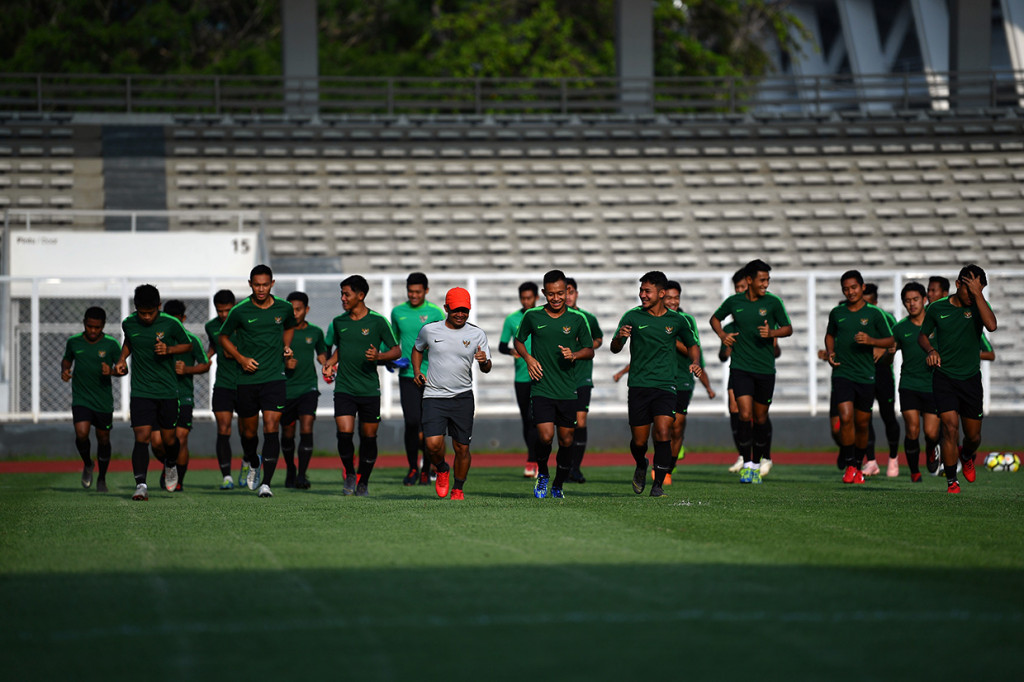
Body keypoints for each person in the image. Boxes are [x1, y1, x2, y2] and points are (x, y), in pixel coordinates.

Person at [611, 271, 701, 498]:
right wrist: (620, 337)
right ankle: (641, 463)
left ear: (661, 293)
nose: (642, 294)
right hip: (639, 386)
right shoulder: (632, 316)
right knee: (639, 441)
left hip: (666, 386)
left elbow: (692, 344)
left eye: (647, 291)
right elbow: (614, 348)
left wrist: (696, 362)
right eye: (641, 290)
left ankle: (658, 483)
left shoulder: (677, 320)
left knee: (663, 431)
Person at [218, 264, 297, 499]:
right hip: (247, 380)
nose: (261, 289)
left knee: (272, 427)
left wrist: (286, 345)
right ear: (250, 284)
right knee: (249, 433)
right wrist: (241, 359)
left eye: (265, 284)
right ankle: (253, 460)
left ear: (272, 284)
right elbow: (223, 336)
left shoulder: (284, 308)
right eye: (256, 284)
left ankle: (267, 484)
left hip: (274, 378)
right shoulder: (240, 311)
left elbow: (290, 326)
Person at [710, 259, 793, 484]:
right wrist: (722, 336)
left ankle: (758, 462)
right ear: (749, 280)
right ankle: (748, 464)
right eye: (762, 279)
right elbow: (715, 319)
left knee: (760, 418)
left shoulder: (773, 303)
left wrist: (772, 333)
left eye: (767, 280)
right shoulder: (734, 302)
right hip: (741, 368)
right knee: (744, 415)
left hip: (765, 370)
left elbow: (788, 328)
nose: (766, 283)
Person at [513, 270, 594, 499]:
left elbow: (590, 350)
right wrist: (529, 359)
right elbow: (518, 341)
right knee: (546, 436)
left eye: (560, 293)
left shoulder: (578, 319)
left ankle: (558, 484)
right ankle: (544, 475)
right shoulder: (532, 316)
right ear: (544, 293)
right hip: (541, 387)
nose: (556, 298)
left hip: (568, 389)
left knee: (567, 439)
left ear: (567, 291)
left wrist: (575, 355)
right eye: (551, 294)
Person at [918, 264, 997, 494]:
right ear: (958, 285)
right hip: (944, 377)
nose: (973, 296)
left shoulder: (980, 305)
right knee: (949, 428)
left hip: (971, 379)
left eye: (979, 290)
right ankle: (952, 480)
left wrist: (977, 294)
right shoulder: (936, 308)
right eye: (970, 290)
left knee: (973, 436)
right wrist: (931, 351)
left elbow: (992, 326)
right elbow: (923, 336)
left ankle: (967, 454)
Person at [322, 275, 400, 497]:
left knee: (369, 437)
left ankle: (363, 481)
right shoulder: (339, 322)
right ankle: (349, 473)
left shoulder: (377, 321)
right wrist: (330, 363)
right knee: (344, 434)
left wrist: (379, 355)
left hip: (369, 390)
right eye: (342, 294)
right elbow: (341, 348)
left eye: (346, 294)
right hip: (344, 388)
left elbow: (397, 351)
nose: (342, 298)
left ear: (361, 295)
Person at [114, 284, 194, 501]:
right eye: (142, 313)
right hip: (141, 390)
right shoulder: (129, 323)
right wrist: (122, 359)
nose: (147, 317)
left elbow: (187, 345)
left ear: (159, 307)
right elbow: (130, 341)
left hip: (168, 391)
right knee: (142, 437)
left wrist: (169, 349)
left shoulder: (171, 323)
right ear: (136, 308)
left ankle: (170, 463)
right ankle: (141, 485)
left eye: (151, 312)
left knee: (169, 440)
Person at [412, 287, 491, 500]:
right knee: (432, 444)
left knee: (462, 447)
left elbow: (487, 367)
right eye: (456, 310)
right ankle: (442, 468)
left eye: (464, 310)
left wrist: (484, 362)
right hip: (433, 395)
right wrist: (417, 371)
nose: (460, 314)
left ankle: (458, 488)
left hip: (462, 397)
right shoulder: (429, 330)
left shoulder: (477, 334)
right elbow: (417, 349)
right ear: (446, 308)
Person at [824, 270, 894, 485]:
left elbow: (890, 339)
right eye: (846, 288)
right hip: (842, 373)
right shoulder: (837, 312)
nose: (850, 291)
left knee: (862, 424)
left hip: (865, 375)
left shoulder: (874, 314)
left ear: (862, 287)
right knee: (845, 418)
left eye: (854, 287)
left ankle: (858, 464)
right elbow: (829, 335)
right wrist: (831, 352)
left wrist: (871, 340)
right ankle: (850, 464)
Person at [390, 272, 446, 486]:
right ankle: (413, 467)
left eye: (417, 292)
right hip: (407, 376)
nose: (413, 295)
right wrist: (390, 359)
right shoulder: (397, 312)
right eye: (410, 291)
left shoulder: (434, 312)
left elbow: (443, 341)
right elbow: (393, 342)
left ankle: (427, 468)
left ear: (426, 291)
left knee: (430, 425)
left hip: (432, 376)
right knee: (412, 423)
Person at [61, 306, 122, 493]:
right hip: (82, 398)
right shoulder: (74, 342)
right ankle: (88, 463)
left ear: (103, 326)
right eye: (89, 326)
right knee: (81, 433)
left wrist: (111, 371)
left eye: (97, 327)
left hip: (103, 401)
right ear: (84, 324)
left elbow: (123, 369)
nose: (93, 331)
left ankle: (102, 478)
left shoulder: (111, 345)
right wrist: (65, 370)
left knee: (103, 439)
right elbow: (67, 359)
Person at [153, 299, 210, 491]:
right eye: (171, 320)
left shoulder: (192, 340)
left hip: (183, 396)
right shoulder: (158, 340)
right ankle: (170, 463)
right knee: (157, 442)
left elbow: (205, 364)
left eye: (178, 320)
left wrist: (187, 370)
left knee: (181, 438)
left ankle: (179, 481)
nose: (175, 324)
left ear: (183, 319)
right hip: (160, 396)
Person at [891, 282, 940, 483]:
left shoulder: (936, 324)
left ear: (924, 299)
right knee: (912, 429)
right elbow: (889, 353)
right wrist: (887, 354)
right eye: (907, 301)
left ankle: (931, 450)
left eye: (915, 300)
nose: (912, 304)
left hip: (933, 385)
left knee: (930, 433)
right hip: (909, 384)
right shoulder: (900, 328)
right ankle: (914, 472)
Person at [281, 291, 329, 490]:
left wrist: (327, 365)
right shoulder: (281, 334)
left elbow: (322, 354)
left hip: (308, 387)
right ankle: (291, 469)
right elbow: (270, 359)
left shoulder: (316, 332)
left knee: (307, 427)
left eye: (298, 309)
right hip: (285, 389)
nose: (295, 313)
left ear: (307, 310)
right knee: (288, 433)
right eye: (291, 310)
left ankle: (302, 474)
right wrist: (285, 364)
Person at [564, 276, 603, 484]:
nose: (568, 296)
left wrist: (586, 347)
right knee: (565, 426)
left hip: (582, 377)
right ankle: (563, 466)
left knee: (580, 421)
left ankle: (575, 468)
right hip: (561, 378)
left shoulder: (588, 318)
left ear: (576, 294)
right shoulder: (555, 317)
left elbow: (598, 338)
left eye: (571, 291)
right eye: (564, 292)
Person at [500, 281, 540, 478]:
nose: (525, 301)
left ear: (536, 298)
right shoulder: (512, 319)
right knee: (527, 420)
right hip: (522, 378)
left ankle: (535, 460)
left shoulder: (543, 316)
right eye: (523, 298)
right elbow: (500, 346)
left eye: (529, 298)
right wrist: (511, 351)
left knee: (538, 419)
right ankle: (533, 459)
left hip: (542, 376)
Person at [861, 283, 902, 477]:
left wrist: (883, 348)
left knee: (888, 417)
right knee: (864, 419)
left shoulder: (887, 318)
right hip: (862, 375)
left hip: (884, 375)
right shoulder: (857, 318)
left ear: (876, 302)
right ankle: (871, 461)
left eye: (869, 302)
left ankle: (893, 459)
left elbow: (897, 341)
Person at [205, 289, 241, 490]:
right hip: (223, 384)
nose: (224, 315)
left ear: (234, 305)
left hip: (245, 384)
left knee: (247, 431)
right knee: (223, 429)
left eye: (228, 310)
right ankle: (227, 476)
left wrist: (235, 353)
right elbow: (213, 346)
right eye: (220, 311)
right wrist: (205, 356)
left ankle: (248, 462)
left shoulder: (244, 322)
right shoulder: (211, 326)